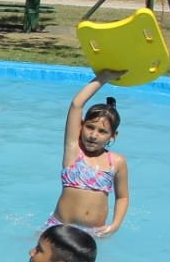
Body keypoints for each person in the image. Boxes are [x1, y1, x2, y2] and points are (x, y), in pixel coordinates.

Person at [48, 72, 129, 238]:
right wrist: (103, 78)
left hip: (92, 234)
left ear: (113, 136)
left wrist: (115, 225)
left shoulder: (116, 162)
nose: (93, 135)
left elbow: (122, 197)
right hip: (59, 228)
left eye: (102, 131)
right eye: (90, 127)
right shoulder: (74, 151)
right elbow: (77, 104)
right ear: (81, 126)